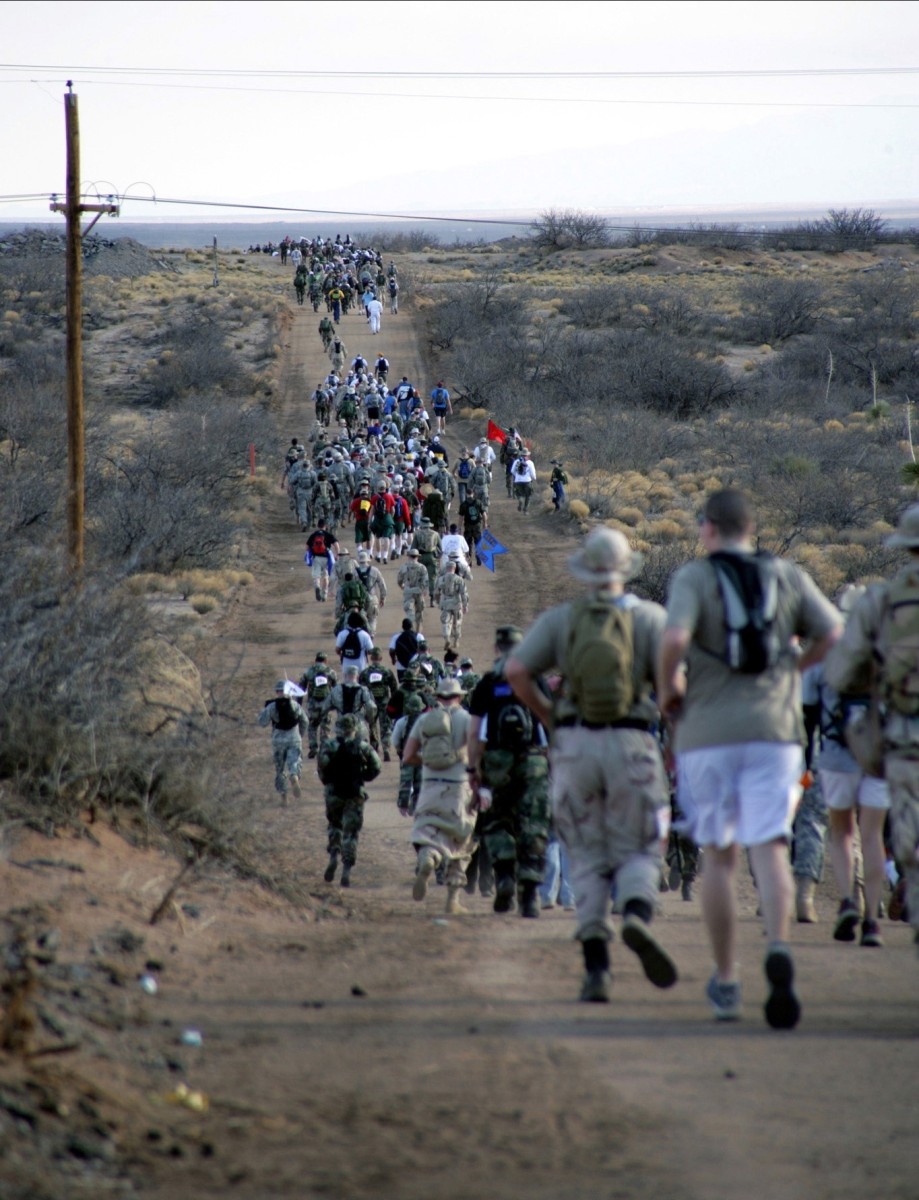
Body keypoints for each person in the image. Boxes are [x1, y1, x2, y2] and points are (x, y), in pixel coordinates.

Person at [657, 489, 842, 1028]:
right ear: (751, 526)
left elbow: (673, 638)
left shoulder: (695, 577)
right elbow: (834, 631)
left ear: (709, 528)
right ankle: (778, 947)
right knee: (770, 846)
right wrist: (796, 668)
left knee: (719, 857)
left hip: (708, 732)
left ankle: (727, 978)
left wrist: (670, 688)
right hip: (777, 734)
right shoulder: (786, 574)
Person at [506, 529, 678, 1003]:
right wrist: (672, 746)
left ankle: (597, 966)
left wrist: (549, 717)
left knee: (584, 852)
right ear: (627, 569)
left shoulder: (562, 621)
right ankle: (638, 916)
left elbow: (517, 672)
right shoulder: (651, 619)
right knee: (641, 843)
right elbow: (673, 693)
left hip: (576, 743)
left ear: (585, 569)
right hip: (634, 741)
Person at [824, 502, 919, 955]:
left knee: (892, 832)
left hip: (897, 736)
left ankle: (879, 904)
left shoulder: (881, 600)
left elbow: (839, 675)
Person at [467, 626, 550, 918]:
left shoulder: (488, 683)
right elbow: (549, 722)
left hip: (496, 760)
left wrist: (473, 767)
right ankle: (529, 894)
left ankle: (503, 876)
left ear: (496, 649)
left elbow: (475, 731)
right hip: (532, 759)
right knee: (534, 822)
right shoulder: (534, 678)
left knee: (496, 820)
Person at [402, 677, 476, 915]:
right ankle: (452, 898)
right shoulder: (467, 719)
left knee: (428, 832)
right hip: (459, 788)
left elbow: (407, 756)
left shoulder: (424, 719)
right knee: (462, 842)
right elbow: (477, 754)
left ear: (436, 697)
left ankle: (428, 859)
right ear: (460, 697)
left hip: (429, 786)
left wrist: (432, 761)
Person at [317, 715, 381, 887]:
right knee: (351, 833)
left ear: (337, 728)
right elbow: (376, 767)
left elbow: (321, 768)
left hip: (333, 793)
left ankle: (333, 854)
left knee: (334, 825)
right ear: (355, 729)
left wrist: (328, 782)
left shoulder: (329, 745)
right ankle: (346, 869)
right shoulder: (363, 746)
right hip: (355, 793)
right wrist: (364, 777)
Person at [258, 681, 308, 803]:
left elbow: (262, 723)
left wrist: (261, 713)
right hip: (294, 738)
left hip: (278, 740)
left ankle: (283, 797)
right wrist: (300, 735)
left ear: (277, 692)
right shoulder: (295, 705)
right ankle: (294, 776)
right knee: (294, 761)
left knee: (280, 769)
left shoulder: (272, 706)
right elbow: (305, 721)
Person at [360, 646, 399, 761]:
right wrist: (393, 702)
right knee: (385, 726)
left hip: (370, 703)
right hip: (384, 703)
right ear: (381, 658)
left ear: (371, 658)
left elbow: (361, 689)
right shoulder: (387, 671)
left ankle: (374, 747)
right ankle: (386, 748)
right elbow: (394, 688)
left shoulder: (365, 673)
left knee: (372, 725)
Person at [323, 663, 377, 742]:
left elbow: (325, 707)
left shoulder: (336, 689)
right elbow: (371, 707)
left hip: (341, 726)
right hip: (358, 725)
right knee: (361, 750)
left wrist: (326, 722)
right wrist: (370, 720)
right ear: (357, 676)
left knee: (342, 749)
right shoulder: (363, 690)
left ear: (345, 675)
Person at [298, 652, 337, 759]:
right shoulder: (331, 672)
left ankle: (313, 748)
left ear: (316, 660)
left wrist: (298, 704)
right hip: (326, 704)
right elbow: (335, 688)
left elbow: (301, 689)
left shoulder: (309, 672)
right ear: (326, 661)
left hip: (312, 703)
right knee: (326, 727)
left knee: (312, 726)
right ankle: (324, 749)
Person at [434, 561, 468, 652]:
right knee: (457, 623)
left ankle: (447, 638)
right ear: (454, 568)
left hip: (445, 602)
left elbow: (436, 592)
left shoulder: (441, 579)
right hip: (456, 602)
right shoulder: (459, 579)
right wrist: (465, 605)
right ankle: (456, 641)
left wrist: (437, 602)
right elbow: (463, 593)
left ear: (446, 568)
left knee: (445, 622)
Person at [397, 547, 429, 630]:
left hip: (408, 590)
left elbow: (399, 580)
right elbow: (425, 581)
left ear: (409, 556)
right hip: (419, 590)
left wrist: (402, 586)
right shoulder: (422, 567)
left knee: (409, 611)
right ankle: (418, 629)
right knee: (419, 610)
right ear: (417, 557)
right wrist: (425, 590)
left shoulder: (403, 567)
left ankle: (410, 627)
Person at [305, 520, 337, 602]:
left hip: (316, 558)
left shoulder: (314, 534)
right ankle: (324, 594)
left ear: (318, 526)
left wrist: (309, 555)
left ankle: (317, 587)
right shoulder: (328, 534)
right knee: (325, 576)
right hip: (326, 558)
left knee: (316, 576)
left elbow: (307, 546)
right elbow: (336, 544)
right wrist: (337, 554)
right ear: (325, 526)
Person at [512, 449, 537, 514]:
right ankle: (525, 510)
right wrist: (534, 478)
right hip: (527, 481)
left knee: (519, 494)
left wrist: (517, 476)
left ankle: (520, 501)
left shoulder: (516, 461)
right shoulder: (530, 463)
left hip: (518, 481)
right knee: (528, 496)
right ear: (527, 455)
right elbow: (533, 474)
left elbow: (512, 471)